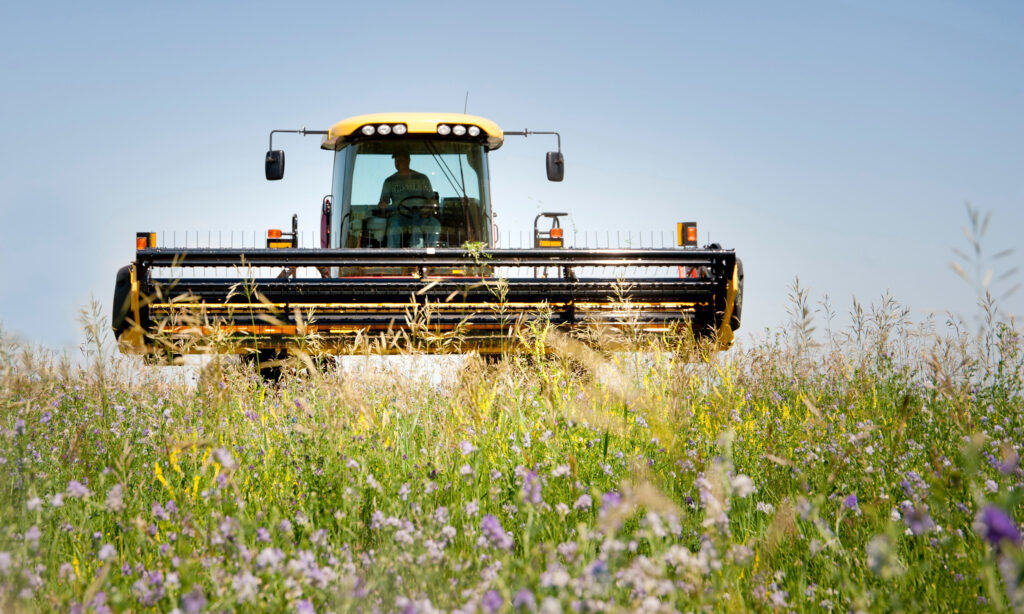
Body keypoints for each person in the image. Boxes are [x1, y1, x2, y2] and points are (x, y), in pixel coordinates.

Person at [378, 153, 440, 248]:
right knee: (393, 227)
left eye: (400, 160)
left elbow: (432, 200)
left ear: (408, 160)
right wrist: (382, 204)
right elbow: (384, 201)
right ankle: (392, 257)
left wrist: (427, 209)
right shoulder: (389, 181)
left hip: (421, 216)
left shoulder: (422, 178)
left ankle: (431, 255)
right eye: (396, 160)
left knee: (435, 225)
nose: (397, 163)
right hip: (399, 216)